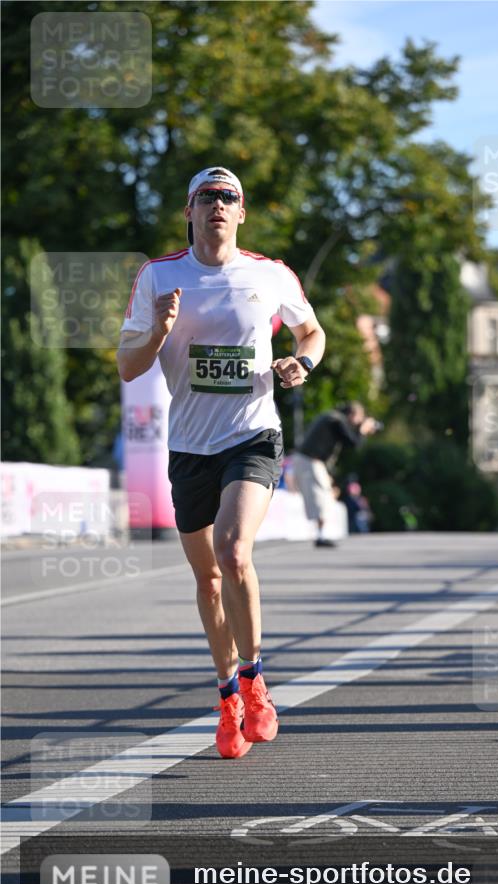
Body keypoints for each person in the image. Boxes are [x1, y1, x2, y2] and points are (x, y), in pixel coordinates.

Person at [117, 165, 326, 758]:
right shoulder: (159, 277)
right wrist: (158, 331)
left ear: (241, 212)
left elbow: (312, 332)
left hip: (252, 434)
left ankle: (256, 678)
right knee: (207, 579)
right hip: (189, 447)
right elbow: (128, 366)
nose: (217, 203)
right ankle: (227, 693)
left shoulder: (270, 274)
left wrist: (300, 364)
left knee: (234, 552)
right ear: (189, 210)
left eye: (227, 196)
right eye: (206, 195)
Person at [292, 402, 379, 547]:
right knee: (322, 496)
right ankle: (320, 536)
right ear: (353, 414)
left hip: (311, 461)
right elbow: (353, 443)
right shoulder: (337, 420)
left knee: (325, 495)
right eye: (360, 417)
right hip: (310, 461)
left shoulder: (331, 418)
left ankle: (321, 534)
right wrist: (363, 430)